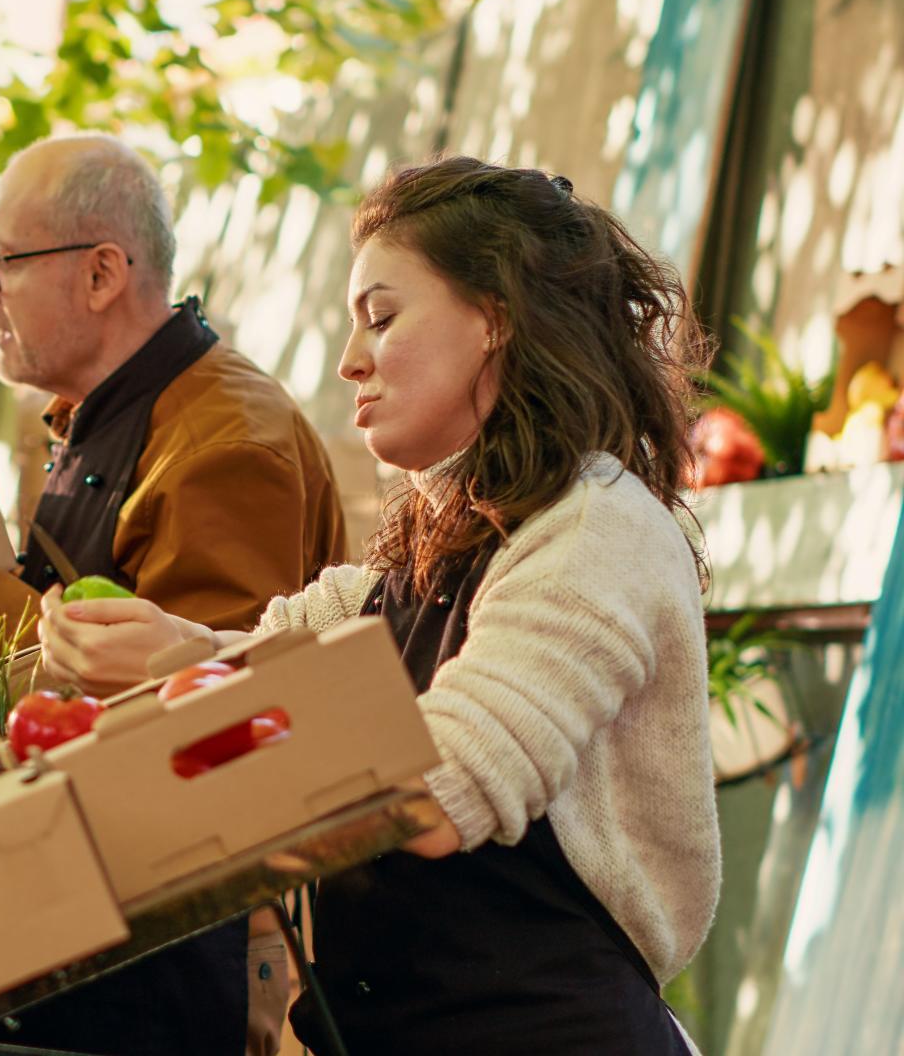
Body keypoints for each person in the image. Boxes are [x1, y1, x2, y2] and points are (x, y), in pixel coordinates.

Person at [37, 156, 720, 1053]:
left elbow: (438, 790)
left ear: (495, 321)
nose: (350, 361)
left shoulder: (595, 532)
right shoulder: (441, 536)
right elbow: (282, 645)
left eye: (383, 319)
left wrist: (189, 690)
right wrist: (171, 652)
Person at [0, 134, 345, 1054]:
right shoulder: (107, 413)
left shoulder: (227, 442)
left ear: (103, 272)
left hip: (169, 954)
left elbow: (207, 739)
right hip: (84, 908)